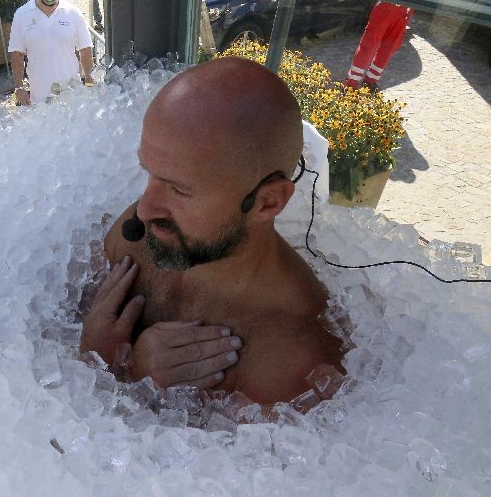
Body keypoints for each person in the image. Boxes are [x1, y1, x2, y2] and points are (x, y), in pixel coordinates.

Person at [80, 57, 345, 405]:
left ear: (267, 203)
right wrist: (99, 358)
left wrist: (126, 377)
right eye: (150, 173)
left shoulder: (294, 361)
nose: (144, 209)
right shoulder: (143, 235)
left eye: (179, 190)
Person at [8, 0, 95, 105]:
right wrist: (19, 87)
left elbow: (85, 50)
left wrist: (89, 79)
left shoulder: (73, 13)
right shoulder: (21, 15)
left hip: (72, 95)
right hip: (40, 97)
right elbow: (16, 55)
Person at [344, 1, 413, 91]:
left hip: (405, 10)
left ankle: (371, 80)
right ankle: (351, 84)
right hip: (387, 3)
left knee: (389, 47)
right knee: (368, 46)